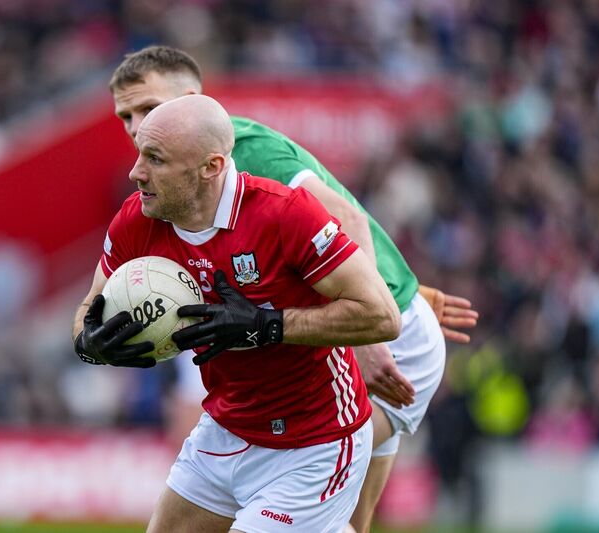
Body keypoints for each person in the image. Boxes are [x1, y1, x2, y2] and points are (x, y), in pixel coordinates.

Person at [106, 45, 479, 533]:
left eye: (149, 110)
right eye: (126, 116)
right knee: (342, 521)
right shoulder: (178, 181)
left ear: (194, 101)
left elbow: (344, 219)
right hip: (352, 328)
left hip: (386, 344)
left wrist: (367, 342)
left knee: (317, 478)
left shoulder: (244, 151)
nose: (136, 127)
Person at [73, 94, 401, 533]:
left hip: (315, 440)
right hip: (227, 427)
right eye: (139, 154)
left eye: (156, 159)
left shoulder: (284, 213)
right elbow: (89, 309)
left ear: (211, 167)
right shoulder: (137, 219)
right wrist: (88, 344)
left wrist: (268, 325)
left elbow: (381, 315)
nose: (136, 172)